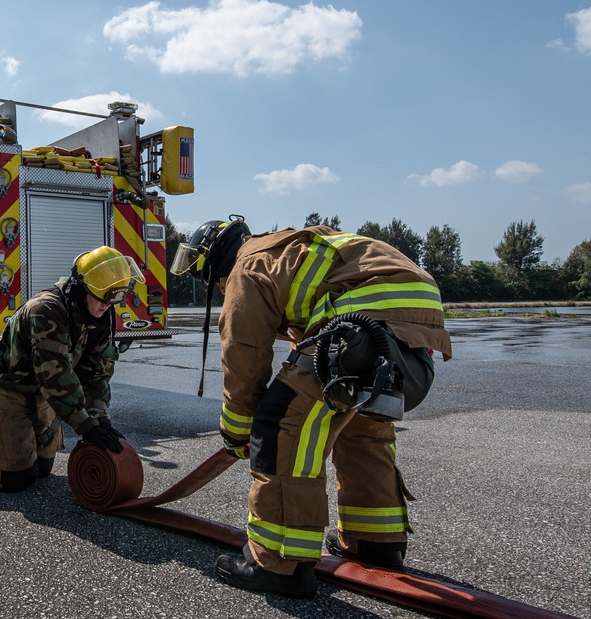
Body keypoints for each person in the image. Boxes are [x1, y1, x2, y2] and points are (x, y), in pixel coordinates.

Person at [171, 217, 452, 598]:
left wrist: (239, 432)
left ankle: (277, 564)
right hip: (410, 323)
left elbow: (244, 358)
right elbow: (304, 344)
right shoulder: (285, 251)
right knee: (361, 427)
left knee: (280, 429)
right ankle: (375, 543)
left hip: (359, 323)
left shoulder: (247, 266)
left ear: (211, 262)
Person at [0, 246, 144, 492]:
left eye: (115, 297)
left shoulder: (100, 314)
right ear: (80, 289)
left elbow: (96, 373)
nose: (108, 305)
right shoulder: (46, 310)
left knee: (43, 468)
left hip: (41, 394)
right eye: (103, 297)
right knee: (17, 478)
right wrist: (85, 426)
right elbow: (55, 375)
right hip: (6, 386)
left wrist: (100, 418)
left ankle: (4, 440)